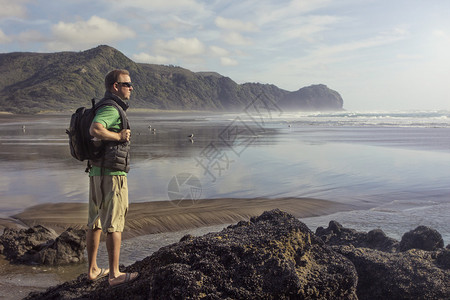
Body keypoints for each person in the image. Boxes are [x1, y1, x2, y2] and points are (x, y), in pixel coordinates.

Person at [86, 69, 139, 287]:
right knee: (114, 224)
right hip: (112, 175)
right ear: (114, 87)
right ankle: (114, 274)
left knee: (95, 222)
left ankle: (93, 270)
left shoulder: (103, 105)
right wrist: (118, 135)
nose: (131, 87)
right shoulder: (111, 109)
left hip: (96, 173)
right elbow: (95, 129)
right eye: (127, 84)